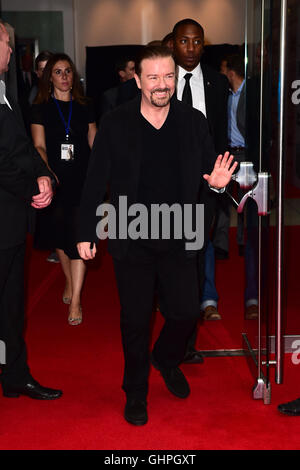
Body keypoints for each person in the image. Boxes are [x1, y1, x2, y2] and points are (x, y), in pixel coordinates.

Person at [77, 46, 237, 425]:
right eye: (153, 77)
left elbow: (208, 177)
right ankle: (135, 390)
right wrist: (86, 231)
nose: (162, 85)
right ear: (138, 80)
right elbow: (95, 181)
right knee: (135, 319)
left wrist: (215, 186)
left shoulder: (193, 121)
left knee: (184, 314)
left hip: (180, 234)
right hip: (131, 236)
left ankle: (165, 359)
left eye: (168, 76)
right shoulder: (115, 123)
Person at [0, 20, 62, 400]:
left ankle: (15, 376)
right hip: (6, 215)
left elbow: (22, 148)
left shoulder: (6, 92)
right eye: (8, 44)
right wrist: (30, 190)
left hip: (11, 221)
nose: (11, 51)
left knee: (11, 305)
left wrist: (44, 176)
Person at [172, 18, 229, 362]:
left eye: (196, 42)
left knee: (195, 257)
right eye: (184, 41)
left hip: (205, 186)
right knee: (170, 259)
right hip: (165, 188)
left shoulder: (217, 82)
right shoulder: (160, 81)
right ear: (173, 44)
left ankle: (188, 341)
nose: (191, 48)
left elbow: (221, 136)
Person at [30, 53, 97, 326]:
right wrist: (47, 172)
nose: (64, 77)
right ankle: (69, 281)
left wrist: (102, 169)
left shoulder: (85, 106)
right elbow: (39, 146)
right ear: (49, 78)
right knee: (60, 237)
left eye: (68, 71)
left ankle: (77, 299)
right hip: (56, 180)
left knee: (80, 237)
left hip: (83, 180)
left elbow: (94, 138)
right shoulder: (40, 108)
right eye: (58, 72)